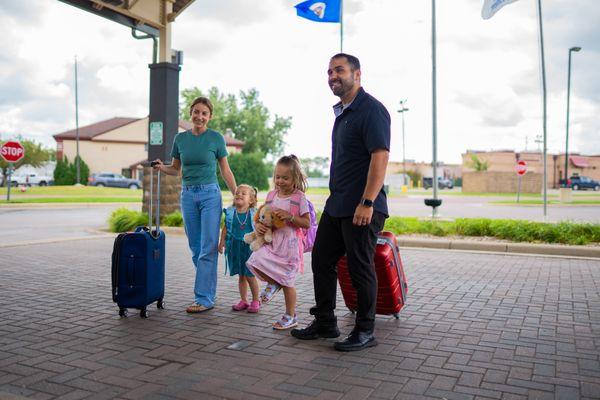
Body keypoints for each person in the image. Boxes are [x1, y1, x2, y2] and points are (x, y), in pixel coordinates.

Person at [291, 53, 391, 351]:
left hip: (362, 206)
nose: (333, 76)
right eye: (329, 71)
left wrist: (368, 201)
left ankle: (365, 330)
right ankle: (325, 322)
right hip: (338, 205)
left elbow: (380, 156)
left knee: (361, 267)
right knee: (322, 259)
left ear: (357, 74)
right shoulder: (343, 112)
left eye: (339, 70)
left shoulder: (371, 110)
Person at [153, 96, 237, 313]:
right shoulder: (180, 139)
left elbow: (225, 170)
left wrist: (236, 194)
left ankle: (204, 297)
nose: (199, 116)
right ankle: (208, 289)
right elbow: (175, 169)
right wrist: (162, 167)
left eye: (204, 113)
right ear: (190, 113)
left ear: (209, 117)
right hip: (188, 195)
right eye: (196, 112)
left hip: (210, 194)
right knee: (195, 247)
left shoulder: (216, 138)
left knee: (208, 247)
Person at [246, 155, 311, 330]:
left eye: (285, 178)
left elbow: (307, 223)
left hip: (290, 246)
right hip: (272, 241)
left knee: (288, 282)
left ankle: (290, 316)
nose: (280, 181)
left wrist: (290, 217)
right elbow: (262, 214)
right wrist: (259, 225)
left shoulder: (299, 197)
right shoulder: (272, 195)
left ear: (295, 178)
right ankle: (273, 282)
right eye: (277, 177)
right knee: (255, 259)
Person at [218, 184, 260, 313]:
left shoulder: (254, 213)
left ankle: (255, 300)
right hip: (235, 247)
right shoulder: (231, 212)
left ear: (251, 200)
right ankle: (244, 300)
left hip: (249, 248)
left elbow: (260, 229)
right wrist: (222, 242)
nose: (239, 194)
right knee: (241, 275)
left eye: (243, 193)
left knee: (250, 275)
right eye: (237, 193)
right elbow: (226, 228)